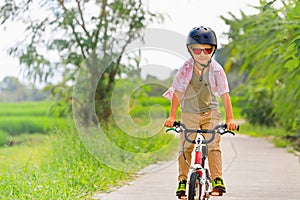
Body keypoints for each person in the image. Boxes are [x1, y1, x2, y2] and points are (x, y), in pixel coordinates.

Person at [163, 26, 238, 198]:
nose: (202, 54)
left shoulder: (217, 69)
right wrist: (172, 116)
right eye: (197, 50)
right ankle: (182, 181)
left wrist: (230, 118)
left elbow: (225, 94)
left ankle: (217, 179)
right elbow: (177, 91)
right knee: (185, 147)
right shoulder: (185, 68)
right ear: (190, 50)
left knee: (213, 145)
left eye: (207, 49)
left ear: (213, 50)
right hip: (189, 112)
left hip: (210, 112)